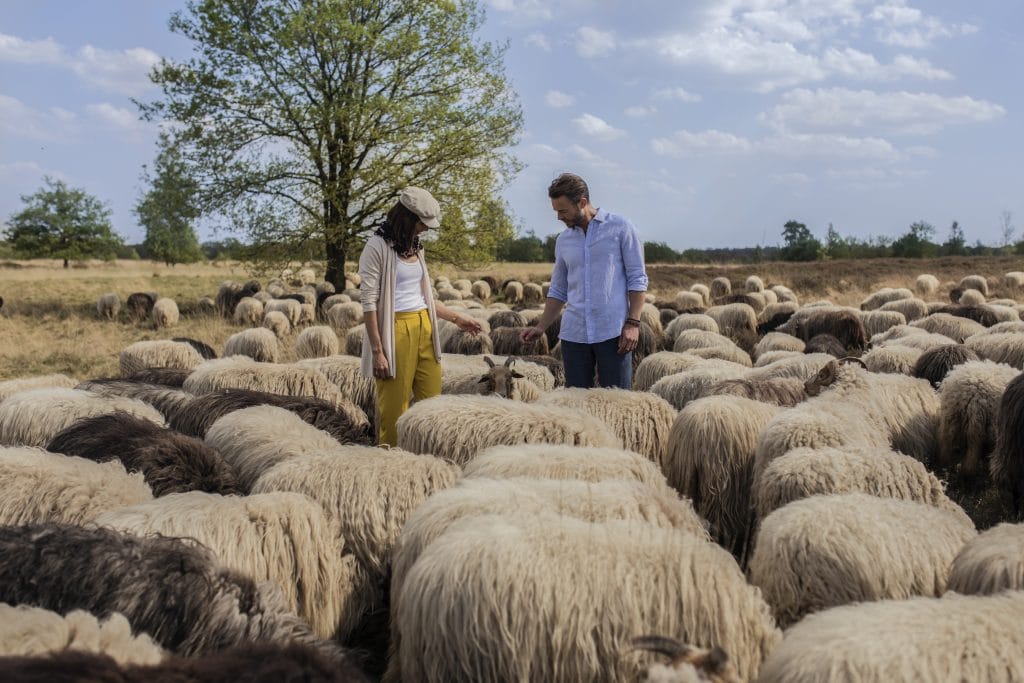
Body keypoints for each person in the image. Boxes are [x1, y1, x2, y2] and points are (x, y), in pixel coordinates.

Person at [359, 187, 482, 446]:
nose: (425, 229)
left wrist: (456, 319)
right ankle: (391, 466)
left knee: (432, 404)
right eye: (422, 223)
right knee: (395, 409)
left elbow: (425, 297)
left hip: (425, 327)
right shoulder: (377, 247)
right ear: (406, 218)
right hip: (395, 330)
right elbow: (369, 302)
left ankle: (428, 462)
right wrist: (378, 351)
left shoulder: (417, 248)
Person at [520, 173, 648, 389]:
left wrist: (633, 323)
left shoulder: (621, 228)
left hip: (613, 333)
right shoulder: (564, 240)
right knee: (576, 406)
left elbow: (637, 278)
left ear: (582, 202)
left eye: (563, 210)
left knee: (617, 404)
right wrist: (541, 327)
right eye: (555, 211)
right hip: (574, 335)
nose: (559, 217)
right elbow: (559, 288)